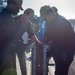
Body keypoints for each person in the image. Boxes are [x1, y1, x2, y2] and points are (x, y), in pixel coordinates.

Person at [40, 5, 75, 75]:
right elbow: (47, 34)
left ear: (50, 14)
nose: (45, 20)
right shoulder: (50, 21)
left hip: (67, 52)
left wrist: (48, 54)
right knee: (58, 70)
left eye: (45, 18)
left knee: (61, 71)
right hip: (58, 52)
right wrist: (44, 41)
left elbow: (58, 41)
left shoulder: (62, 22)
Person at [0, 0, 23, 75]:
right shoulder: (6, 17)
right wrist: (24, 45)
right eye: (18, 8)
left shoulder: (2, 14)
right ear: (11, 5)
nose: (18, 11)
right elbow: (12, 37)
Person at [13, 8, 37, 75]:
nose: (30, 19)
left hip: (21, 47)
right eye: (30, 17)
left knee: (23, 64)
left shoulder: (28, 24)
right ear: (26, 14)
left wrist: (35, 40)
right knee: (12, 65)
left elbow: (31, 33)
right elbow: (12, 35)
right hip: (11, 47)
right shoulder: (14, 20)